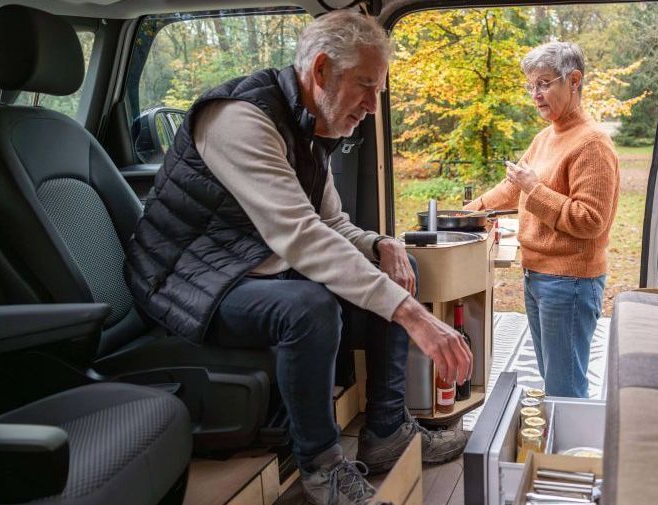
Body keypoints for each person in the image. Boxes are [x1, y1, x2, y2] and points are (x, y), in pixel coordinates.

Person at [124, 11, 472, 505]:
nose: (372, 107)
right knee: (308, 307)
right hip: (184, 279)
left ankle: (387, 434)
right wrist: (411, 314)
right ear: (322, 70)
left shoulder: (310, 128)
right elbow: (301, 235)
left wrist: (380, 245)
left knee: (397, 270)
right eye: (365, 87)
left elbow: (330, 223)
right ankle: (321, 467)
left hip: (245, 264)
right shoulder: (239, 119)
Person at [464, 41, 619, 398]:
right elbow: (512, 187)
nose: (535, 94)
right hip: (538, 276)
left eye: (544, 83)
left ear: (574, 80)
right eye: (531, 86)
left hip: (569, 282)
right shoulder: (545, 137)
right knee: (553, 378)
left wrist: (534, 189)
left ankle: (566, 452)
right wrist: (465, 215)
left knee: (564, 388)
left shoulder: (592, 144)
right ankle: (554, 449)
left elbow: (590, 220)